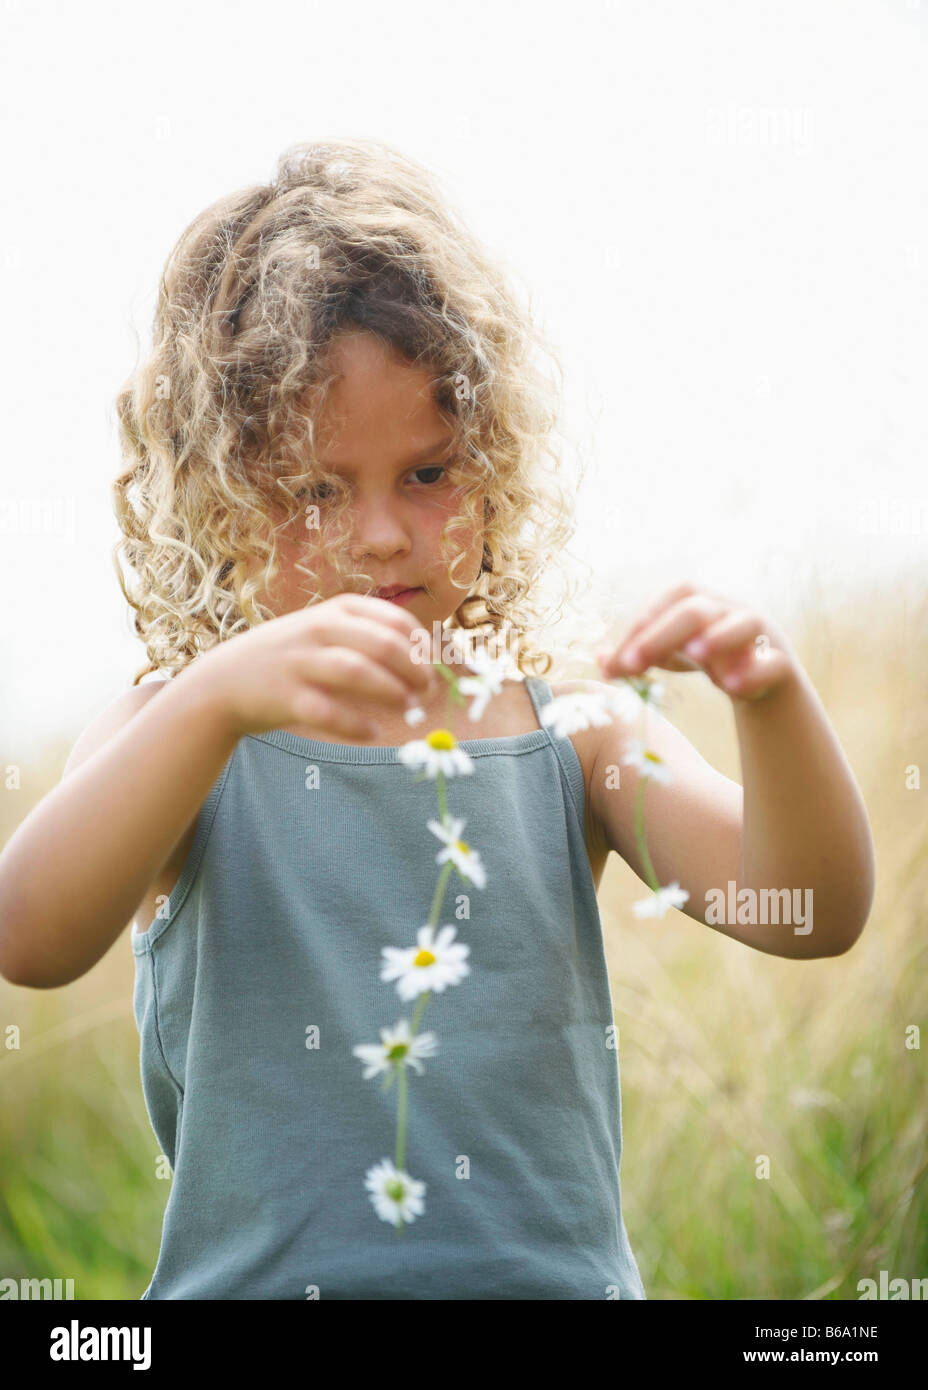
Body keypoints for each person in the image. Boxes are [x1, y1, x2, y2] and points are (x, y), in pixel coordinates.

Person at [0, 138, 875, 1301]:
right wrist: (213, 696)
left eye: (429, 473)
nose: (379, 536)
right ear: (219, 493)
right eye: (315, 489)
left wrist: (771, 700)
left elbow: (807, 911)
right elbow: (31, 936)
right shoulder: (185, 731)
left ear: (495, 461)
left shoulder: (571, 729)